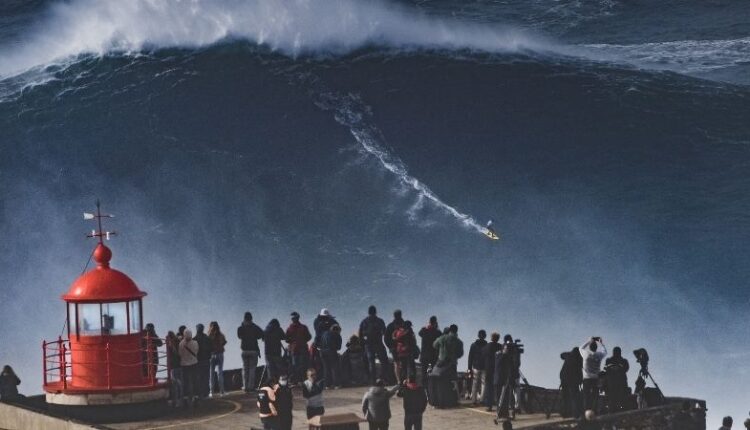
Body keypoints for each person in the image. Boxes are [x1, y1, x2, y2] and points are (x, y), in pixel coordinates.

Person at [359, 305, 389, 384]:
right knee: (384, 361)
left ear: (368, 312)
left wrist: (362, 344)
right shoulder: (380, 321)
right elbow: (385, 332)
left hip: (368, 344)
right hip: (378, 343)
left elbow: (360, 334)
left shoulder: (364, 321)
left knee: (371, 362)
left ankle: (373, 380)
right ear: (375, 312)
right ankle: (382, 378)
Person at [237, 312, 264, 393]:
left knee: (245, 369)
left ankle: (245, 387)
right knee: (252, 369)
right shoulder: (254, 327)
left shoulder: (241, 328)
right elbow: (261, 334)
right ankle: (250, 387)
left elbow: (239, 336)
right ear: (251, 318)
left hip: (244, 351)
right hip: (253, 350)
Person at [495, 335, 521, 419]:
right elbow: (517, 364)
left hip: (510, 374)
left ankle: (510, 411)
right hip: (510, 374)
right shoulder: (502, 354)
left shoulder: (503, 352)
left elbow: (516, 363)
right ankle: (511, 411)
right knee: (511, 393)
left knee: (510, 393)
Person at [580, 337, 607, 412]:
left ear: (589, 347)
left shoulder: (586, 354)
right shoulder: (599, 355)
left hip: (586, 378)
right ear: (596, 347)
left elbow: (581, 348)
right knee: (595, 396)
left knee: (586, 396)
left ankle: (586, 412)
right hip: (596, 378)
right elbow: (605, 352)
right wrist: (601, 343)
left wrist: (589, 341)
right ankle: (594, 412)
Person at [285, 311, 312, 385]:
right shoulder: (303, 327)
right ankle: (302, 380)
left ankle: (295, 380)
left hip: (294, 349)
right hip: (302, 348)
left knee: (294, 366)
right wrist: (302, 341)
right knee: (303, 365)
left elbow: (286, 339)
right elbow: (309, 337)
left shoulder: (289, 328)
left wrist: (292, 342)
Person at [559, 347, 583, 418]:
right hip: (573, 379)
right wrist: (580, 380)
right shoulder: (579, 359)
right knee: (575, 396)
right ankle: (576, 413)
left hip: (564, 377)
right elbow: (580, 371)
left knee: (565, 396)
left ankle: (565, 413)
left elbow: (562, 355)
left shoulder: (568, 355)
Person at [604, 346, 629, 413]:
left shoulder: (624, 361)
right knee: (612, 397)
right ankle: (612, 410)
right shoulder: (609, 360)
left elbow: (626, 368)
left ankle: (621, 410)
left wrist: (618, 369)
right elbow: (606, 368)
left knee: (621, 397)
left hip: (621, 382)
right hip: (612, 382)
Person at [178, 329, 199, 406]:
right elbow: (196, 352)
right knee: (194, 381)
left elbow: (180, 354)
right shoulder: (195, 343)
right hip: (194, 363)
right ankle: (195, 397)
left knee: (186, 382)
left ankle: (186, 398)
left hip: (184, 365)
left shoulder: (181, 344)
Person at [482, 332, 502, 411]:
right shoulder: (500, 347)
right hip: (497, 369)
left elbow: (482, 355)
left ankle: (488, 405)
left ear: (491, 337)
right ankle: (498, 405)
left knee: (488, 387)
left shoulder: (486, 346)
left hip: (488, 369)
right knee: (497, 387)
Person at [418, 316, 440, 384]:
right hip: (433, 355)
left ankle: (424, 387)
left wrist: (428, 326)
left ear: (429, 322)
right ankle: (434, 386)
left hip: (424, 355)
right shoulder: (437, 332)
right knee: (434, 371)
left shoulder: (424, 330)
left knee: (423, 372)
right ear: (435, 322)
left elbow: (420, 333)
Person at [468, 330, 488, 405]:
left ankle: (474, 400)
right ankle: (482, 400)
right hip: (484, 367)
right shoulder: (486, 345)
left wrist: (469, 367)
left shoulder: (473, 345)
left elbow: (470, 357)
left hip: (476, 366)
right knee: (484, 384)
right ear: (485, 336)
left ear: (478, 335)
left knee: (475, 383)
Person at [207, 321, 227, 397]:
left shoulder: (208, 336)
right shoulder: (221, 335)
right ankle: (222, 391)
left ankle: (211, 392)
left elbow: (207, 346)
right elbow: (224, 342)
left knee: (211, 374)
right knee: (220, 373)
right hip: (220, 354)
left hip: (212, 355)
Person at [320, 324, 343, 388]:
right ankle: (336, 384)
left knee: (326, 369)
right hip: (331, 352)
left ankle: (327, 385)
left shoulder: (324, 334)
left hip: (322, 352)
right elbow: (339, 347)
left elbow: (319, 343)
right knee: (335, 368)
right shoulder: (337, 335)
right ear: (337, 330)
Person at [385, 310, 405, 382]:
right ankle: (404, 380)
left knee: (396, 364)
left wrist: (390, 347)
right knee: (404, 364)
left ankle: (399, 381)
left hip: (394, 348)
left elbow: (386, 338)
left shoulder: (390, 326)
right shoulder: (404, 324)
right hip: (404, 348)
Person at [194, 323, 212, 399]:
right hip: (206, 360)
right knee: (206, 377)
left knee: (199, 377)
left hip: (198, 361)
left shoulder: (194, 339)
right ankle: (206, 393)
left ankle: (200, 394)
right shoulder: (207, 338)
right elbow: (211, 348)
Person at [165, 331, 183, 407]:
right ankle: (181, 400)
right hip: (179, 365)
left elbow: (169, 357)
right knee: (181, 383)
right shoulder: (178, 343)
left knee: (175, 385)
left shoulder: (169, 346)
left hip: (173, 367)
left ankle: (176, 401)